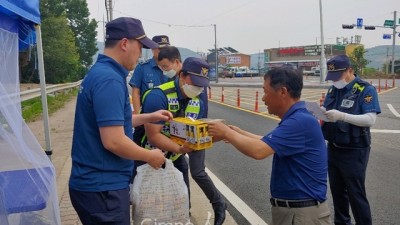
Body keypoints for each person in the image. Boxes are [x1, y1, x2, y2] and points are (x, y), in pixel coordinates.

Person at [69, 17, 170, 225]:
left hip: (95, 185)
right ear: (125, 44)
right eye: (140, 46)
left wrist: (148, 117)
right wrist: (150, 156)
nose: (141, 53)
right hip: (102, 188)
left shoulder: (101, 73)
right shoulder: (109, 80)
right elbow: (113, 140)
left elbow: (115, 122)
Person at [208, 67, 331, 225]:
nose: (263, 98)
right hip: (295, 211)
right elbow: (269, 141)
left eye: (265, 91)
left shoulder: (299, 121)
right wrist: (238, 132)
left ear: (282, 92)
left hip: (302, 215)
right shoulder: (297, 117)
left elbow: (259, 150)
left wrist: (226, 132)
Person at [138, 57, 226, 225]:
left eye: (202, 85)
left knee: (188, 180)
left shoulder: (197, 100)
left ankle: (192, 210)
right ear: (182, 76)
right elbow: (153, 136)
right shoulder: (158, 96)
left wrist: (224, 134)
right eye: (195, 83)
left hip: (180, 151)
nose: (198, 88)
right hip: (153, 152)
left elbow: (198, 129)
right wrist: (180, 149)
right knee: (153, 198)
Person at [322, 55, 380, 225]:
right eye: (332, 77)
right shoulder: (334, 89)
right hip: (333, 147)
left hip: (355, 150)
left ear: (350, 71)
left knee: (356, 193)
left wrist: (343, 116)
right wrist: (320, 112)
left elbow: (370, 119)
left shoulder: (365, 89)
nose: (335, 80)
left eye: (338, 76)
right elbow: (327, 109)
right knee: (337, 192)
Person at [129, 35, 171, 114]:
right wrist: (139, 115)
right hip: (148, 116)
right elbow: (136, 92)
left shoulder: (172, 68)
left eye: (166, 49)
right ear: (152, 49)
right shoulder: (142, 68)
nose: (164, 52)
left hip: (169, 116)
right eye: (160, 49)